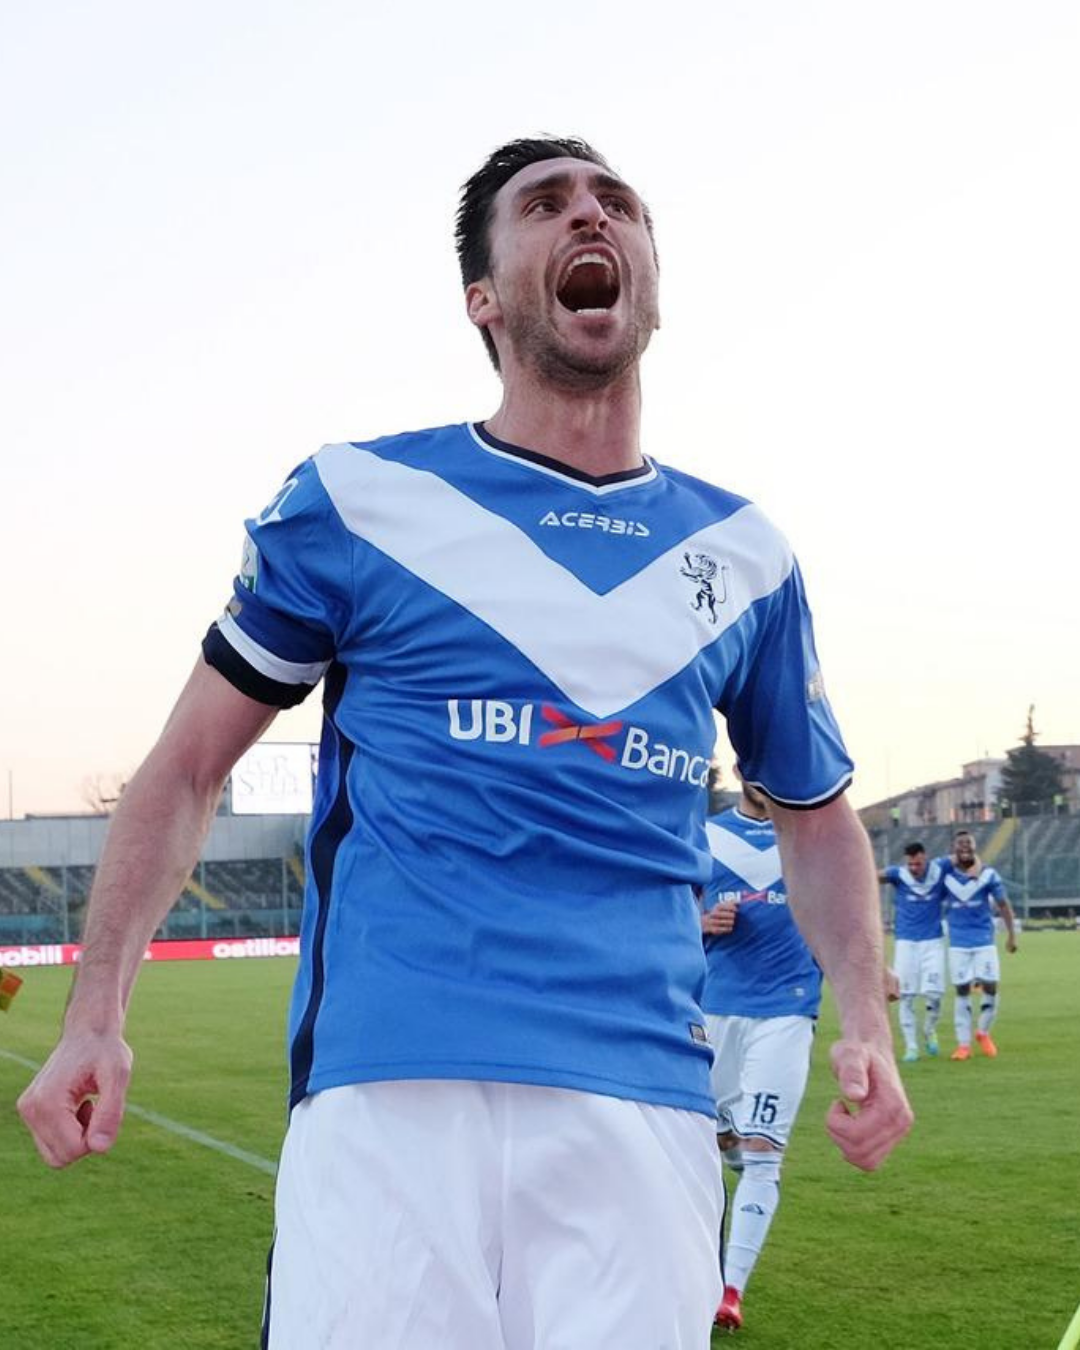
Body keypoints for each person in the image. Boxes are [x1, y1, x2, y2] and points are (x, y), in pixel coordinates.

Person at [18, 136, 912, 1349]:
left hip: (645, 1103)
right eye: (546, 205)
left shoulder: (745, 555)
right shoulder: (358, 498)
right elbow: (186, 769)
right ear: (483, 299)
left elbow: (814, 816)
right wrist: (96, 1010)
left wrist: (864, 1015)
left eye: (617, 203)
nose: (591, 216)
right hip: (392, 1093)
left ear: (651, 281)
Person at [700, 779, 821, 1332]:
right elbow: (663, 913)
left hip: (787, 1010)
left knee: (763, 1152)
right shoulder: (704, 835)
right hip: (714, 1008)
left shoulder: (811, 836)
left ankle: (730, 1291)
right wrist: (701, 923)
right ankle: (732, 1143)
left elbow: (842, 913)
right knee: (721, 1144)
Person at [939, 829, 1018, 1060]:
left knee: (990, 986)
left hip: (984, 940)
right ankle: (963, 1045)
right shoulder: (945, 876)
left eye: (969, 843)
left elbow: (1003, 904)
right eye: (960, 843)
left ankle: (983, 1032)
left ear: (975, 847)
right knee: (962, 990)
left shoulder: (988, 874)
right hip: (958, 943)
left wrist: (1012, 935)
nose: (965, 846)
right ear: (954, 849)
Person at [879, 842, 947, 1062]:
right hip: (906, 943)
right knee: (906, 996)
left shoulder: (939, 869)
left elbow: (962, 859)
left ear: (925, 857)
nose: (914, 868)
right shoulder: (898, 874)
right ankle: (911, 1047)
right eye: (910, 864)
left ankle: (929, 1029)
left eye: (917, 864)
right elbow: (873, 876)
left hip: (933, 942)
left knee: (934, 995)